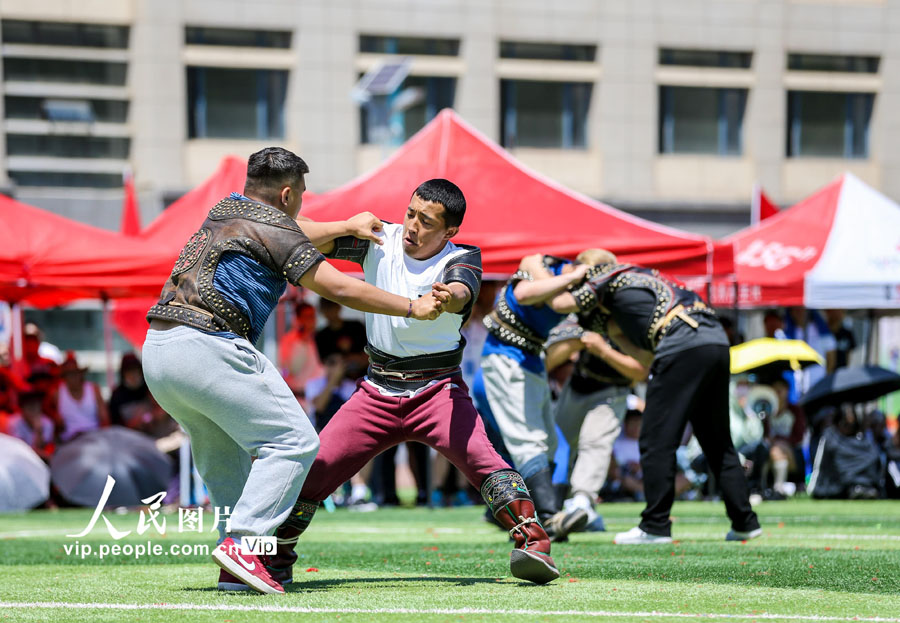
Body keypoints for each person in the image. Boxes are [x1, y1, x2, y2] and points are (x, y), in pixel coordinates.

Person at [142, 147, 445, 595]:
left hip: (160, 353)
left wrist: (345, 226)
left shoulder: (225, 210)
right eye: (302, 193)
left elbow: (295, 230)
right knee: (295, 441)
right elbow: (338, 286)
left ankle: (234, 567)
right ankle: (245, 545)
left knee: (224, 462)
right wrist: (411, 306)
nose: (302, 201)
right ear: (287, 194)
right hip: (207, 345)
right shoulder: (275, 226)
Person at [271, 179, 560, 586]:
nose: (412, 226)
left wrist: (449, 297)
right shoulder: (377, 238)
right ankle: (275, 559)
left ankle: (534, 545)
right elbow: (292, 234)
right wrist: (344, 225)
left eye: (426, 222)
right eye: (410, 213)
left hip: (438, 391)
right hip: (376, 391)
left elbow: (463, 289)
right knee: (315, 471)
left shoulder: (463, 257)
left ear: (449, 232)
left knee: (486, 463)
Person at [548, 256, 760, 544]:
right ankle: (745, 522)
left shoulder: (607, 276)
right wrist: (615, 335)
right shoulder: (645, 279)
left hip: (681, 344)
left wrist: (536, 264)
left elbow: (560, 304)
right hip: (715, 340)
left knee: (656, 439)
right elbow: (646, 358)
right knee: (716, 440)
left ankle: (655, 525)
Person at [476, 252, 593, 541]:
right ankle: (549, 517)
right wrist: (575, 278)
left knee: (550, 445)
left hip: (529, 363)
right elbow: (529, 293)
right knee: (528, 443)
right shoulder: (547, 268)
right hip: (504, 363)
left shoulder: (569, 285)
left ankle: (504, 512)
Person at [544, 301, 649, 531]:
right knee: (555, 443)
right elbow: (549, 358)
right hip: (577, 386)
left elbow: (642, 372)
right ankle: (545, 500)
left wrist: (602, 349)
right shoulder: (587, 309)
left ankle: (581, 503)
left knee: (594, 443)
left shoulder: (635, 320)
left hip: (613, 392)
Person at [55, 352, 108, 442]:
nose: (73, 378)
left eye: (75, 374)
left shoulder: (94, 389)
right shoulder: (57, 393)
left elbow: (105, 419)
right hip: (69, 440)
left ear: (81, 374)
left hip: (94, 437)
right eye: (69, 375)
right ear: (65, 377)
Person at [278, 301, 324, 401]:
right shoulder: (289, 340)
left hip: (318, 397)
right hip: (297, 396)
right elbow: (287, 370)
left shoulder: (319, 338)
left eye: (313, 316)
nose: (312, 320)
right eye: (307, 317)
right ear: (298, 319)